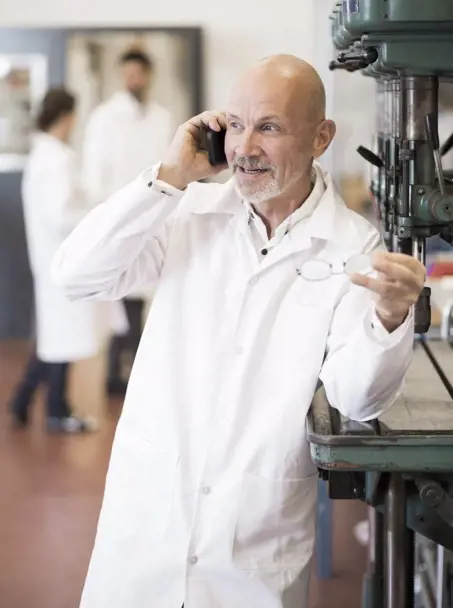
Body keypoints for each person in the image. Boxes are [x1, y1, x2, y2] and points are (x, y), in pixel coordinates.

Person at [52, 55, 425, 608]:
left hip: (251, 550)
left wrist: (389, 318)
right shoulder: (186, 211)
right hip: (146, 532)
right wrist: (169, 176)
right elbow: (76, 276)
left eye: (269, 127)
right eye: (235, 123)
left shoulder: (353, 245)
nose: (244, 147)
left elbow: (357, 397)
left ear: (321, 137)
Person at [81, 48, 174, 395]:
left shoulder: (162, 117)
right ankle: (118, 372)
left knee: (142, 294)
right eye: (128, 73)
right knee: (120, 294)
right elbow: (94, 171)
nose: (134, 79)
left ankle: (129, 370)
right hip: (118, 214)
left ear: (148, 75)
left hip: (155, 214)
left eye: (139, 73)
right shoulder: (105, 118)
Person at [9, 89, 99, 433]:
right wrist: (96, 215)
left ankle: (21, 402)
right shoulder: (56, 157)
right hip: (62, 257)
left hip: (48, 257)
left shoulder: (43, 155)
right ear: (67, 117)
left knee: (54, 336)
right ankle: (57, 411)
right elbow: (62, 214)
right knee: (63, 337)